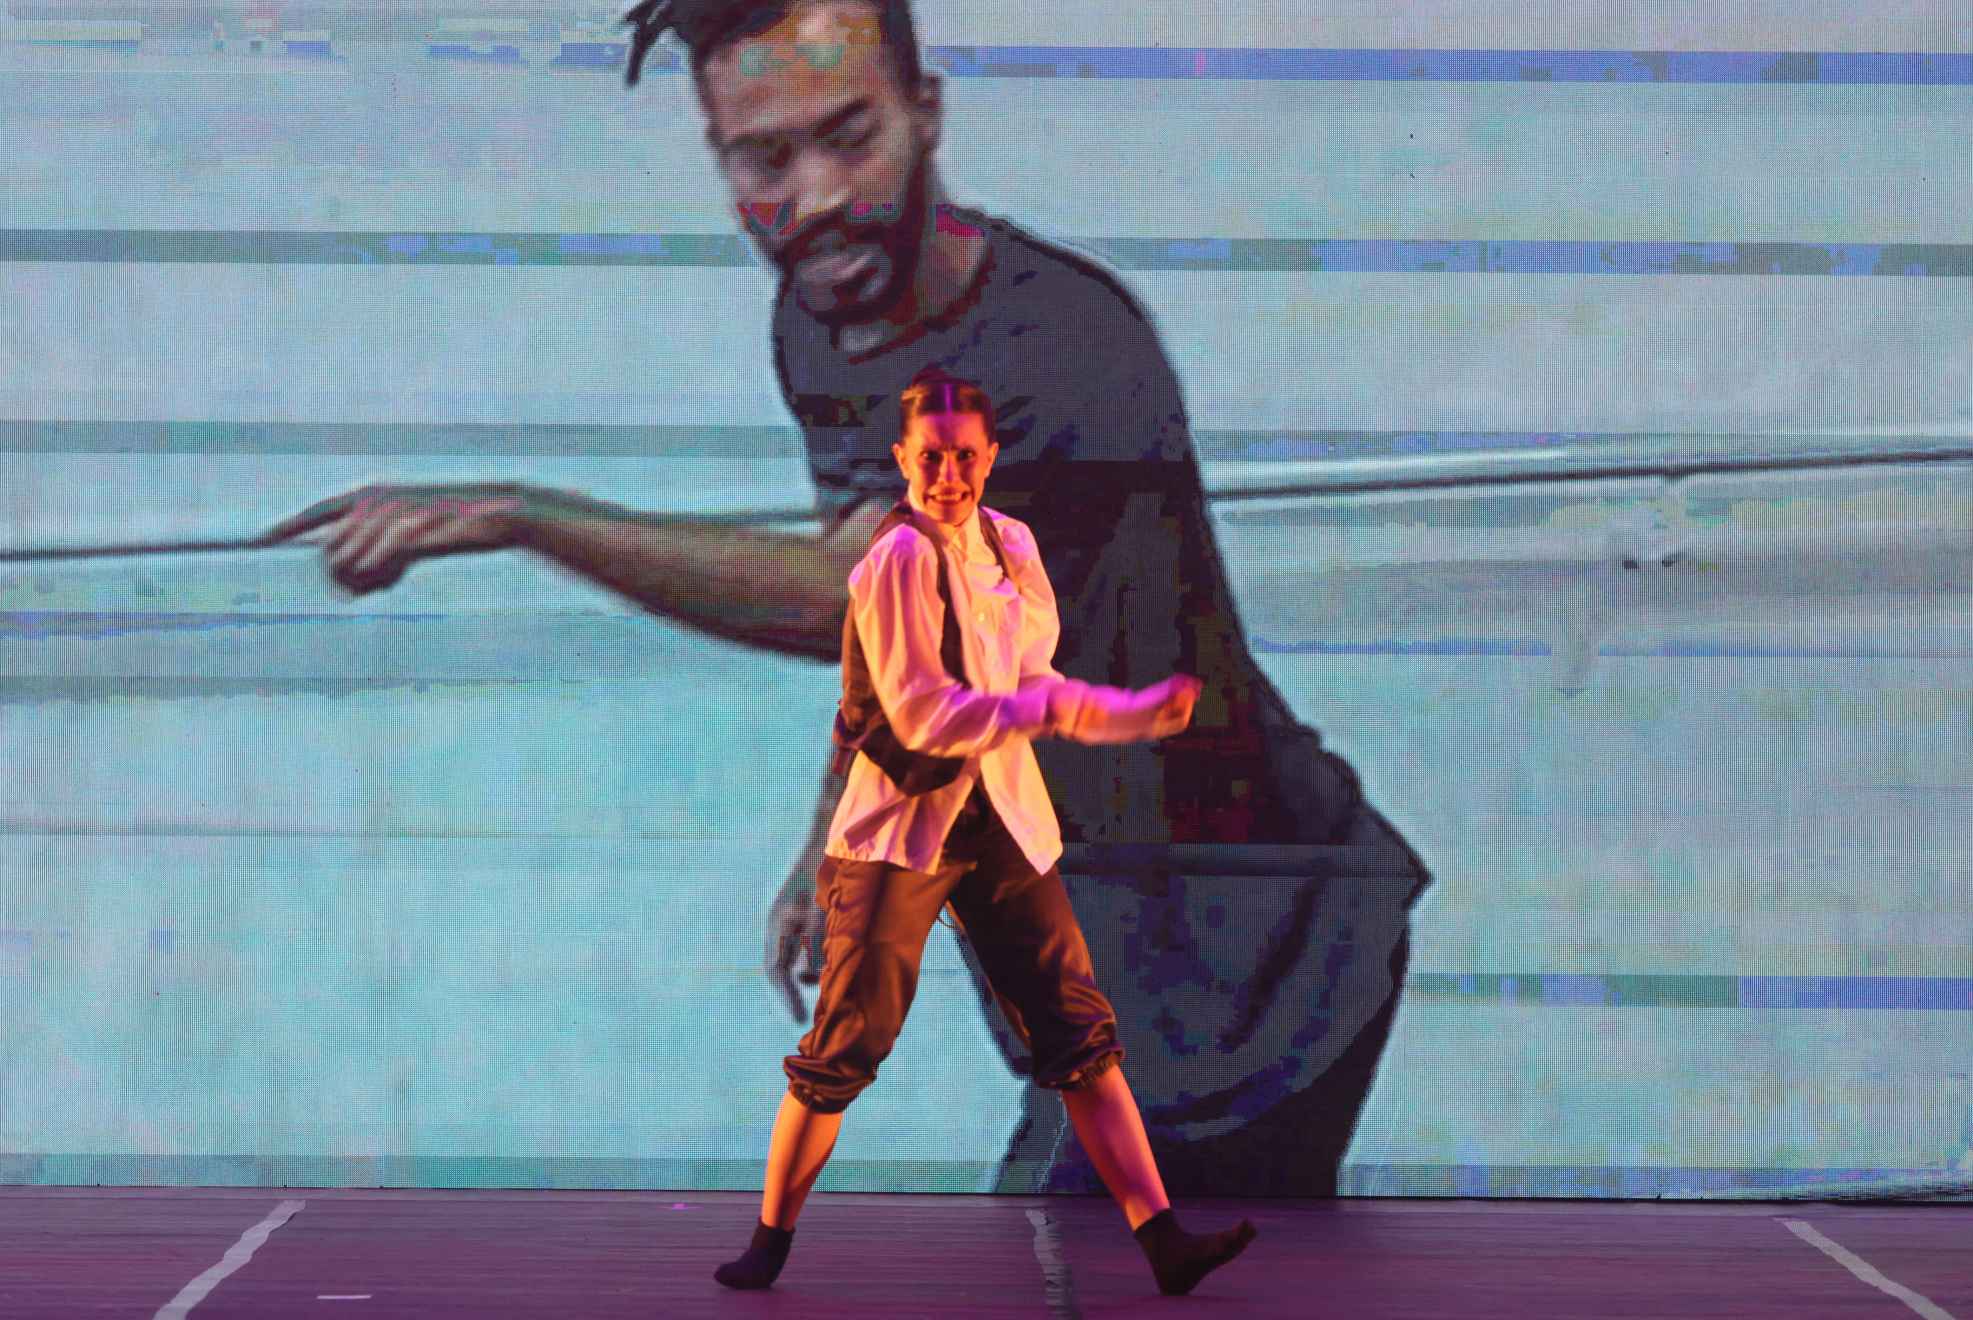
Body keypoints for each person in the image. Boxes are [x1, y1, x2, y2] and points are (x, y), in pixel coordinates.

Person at [271, 0, 1430, 1201]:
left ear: (926, 115)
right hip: (1115, 949)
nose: (815, 197)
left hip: (1256, 962)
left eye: (849, 137)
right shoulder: (826, 320)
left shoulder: (1061, 351)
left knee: (1070, 1256)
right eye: (765, 159)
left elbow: (858, 603)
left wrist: (525, 518)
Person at [707, 364, 1254, 1293]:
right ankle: (770, 1239)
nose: (949, 475)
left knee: (1079, 1037)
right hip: (901, 831)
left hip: (999, 820)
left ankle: (1164, 1241)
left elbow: (1035, 680)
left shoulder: (1011, 547)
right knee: (844, 1050)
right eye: (932, 458)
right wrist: (1053, 711)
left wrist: (1127, 714)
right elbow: (925, 715)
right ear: (903, 458)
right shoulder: (893, 561)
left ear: (990, 457)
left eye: (964, 457)